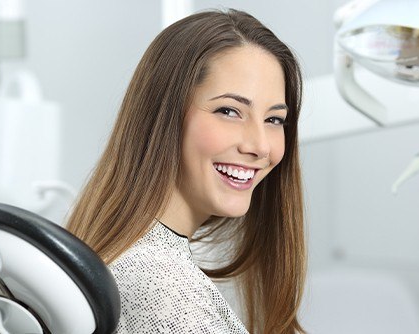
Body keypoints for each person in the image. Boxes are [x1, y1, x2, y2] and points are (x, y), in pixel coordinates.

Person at [67, 8, 306, 334]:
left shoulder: (135, 260)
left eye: (274, 119)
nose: (261, 146)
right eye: (229, 111)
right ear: (164, 117)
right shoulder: (164, 284)